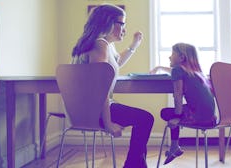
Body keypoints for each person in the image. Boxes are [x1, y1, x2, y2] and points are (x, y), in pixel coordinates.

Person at [71, 4, 154, 168]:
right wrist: (108, 123)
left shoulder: (103, 45)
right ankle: (133, 166)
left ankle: (134, 165)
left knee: (143, 119)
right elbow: (99, 86)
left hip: (86, 108)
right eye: (121, 24)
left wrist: (134, 46)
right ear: (107, 22)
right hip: (94, 111)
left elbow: (116, 62)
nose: (124, 28)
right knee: (145, 119)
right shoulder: (99, 45)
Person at [150, 43, 216, 165]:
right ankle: (174, 147)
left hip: (198, 117)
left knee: (166, 112)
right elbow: (174, 71)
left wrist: (177, 117)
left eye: (172, 54)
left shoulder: (177, 70)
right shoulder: (196, 71)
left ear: (181, 57)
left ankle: (174, 147)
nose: (169, 57)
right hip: (211, 118)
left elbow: (178, 95)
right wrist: (159, 67)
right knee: (175, 112)